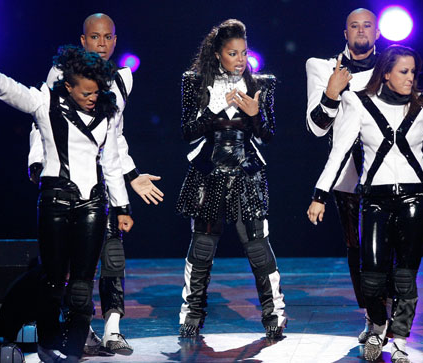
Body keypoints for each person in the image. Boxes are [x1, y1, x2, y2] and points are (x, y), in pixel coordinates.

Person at [0, 44, 132, 362]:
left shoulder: (109, 107)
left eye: (96, 91)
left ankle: (73, 350)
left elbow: (112, 160)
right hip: (55, 201)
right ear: (69, 86)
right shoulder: (45, 102)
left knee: (82, 285)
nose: (92, 97)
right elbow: (7, 89)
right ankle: (48, 342)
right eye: (85, 92)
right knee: (53, 280)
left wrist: (121, 206)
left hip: (92, 203)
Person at [307, 45, 423, 363]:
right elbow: (339, 152)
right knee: (372, 277)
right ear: (386, 73)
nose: (410, 79)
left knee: (405, 276)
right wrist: (320, 195)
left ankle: (399, 341)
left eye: (413, 72)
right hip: (376, 200)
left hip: (416, 198)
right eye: (403, 72)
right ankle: (378, 323)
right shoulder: (358, 104)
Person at [28, 13, 163, 355]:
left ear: (115, 41)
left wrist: (130, 177)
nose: (101, 44)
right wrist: (37, 161)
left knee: (112, 254)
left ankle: (113, 328)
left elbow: (114, 137)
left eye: (107, 38)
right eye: (94, 37)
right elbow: (41, 122)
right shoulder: (62, 74)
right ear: (83, 40)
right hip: (69, 178)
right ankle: (79, 329)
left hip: (105, 177)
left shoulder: (122, 79)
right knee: (73, 264)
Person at [175, 19, 286, 340]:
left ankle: (274, 314)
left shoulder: (262, 84)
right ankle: (191, 314)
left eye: (244, 53)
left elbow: (268, 136)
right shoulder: (195, 82)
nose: (240, 59)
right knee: (202, 246)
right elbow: (187, 132)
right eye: (233, 53)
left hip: (247, 173)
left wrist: (255, 113)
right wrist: (213, 109)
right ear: (217, 54)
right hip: (208, 173)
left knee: (257, 245)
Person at [305, 8, 381, 343]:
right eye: (354, 25)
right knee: (358, 248)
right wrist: (332, 92)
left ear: (377, 33)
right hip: (347, 173)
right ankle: (372, 315)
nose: (361, 30)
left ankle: (386, 313)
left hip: (389, 171)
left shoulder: (393, 64)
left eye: (367, 25)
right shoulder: (321, 67)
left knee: (387, 246)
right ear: (345, 32)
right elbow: (317, 128)